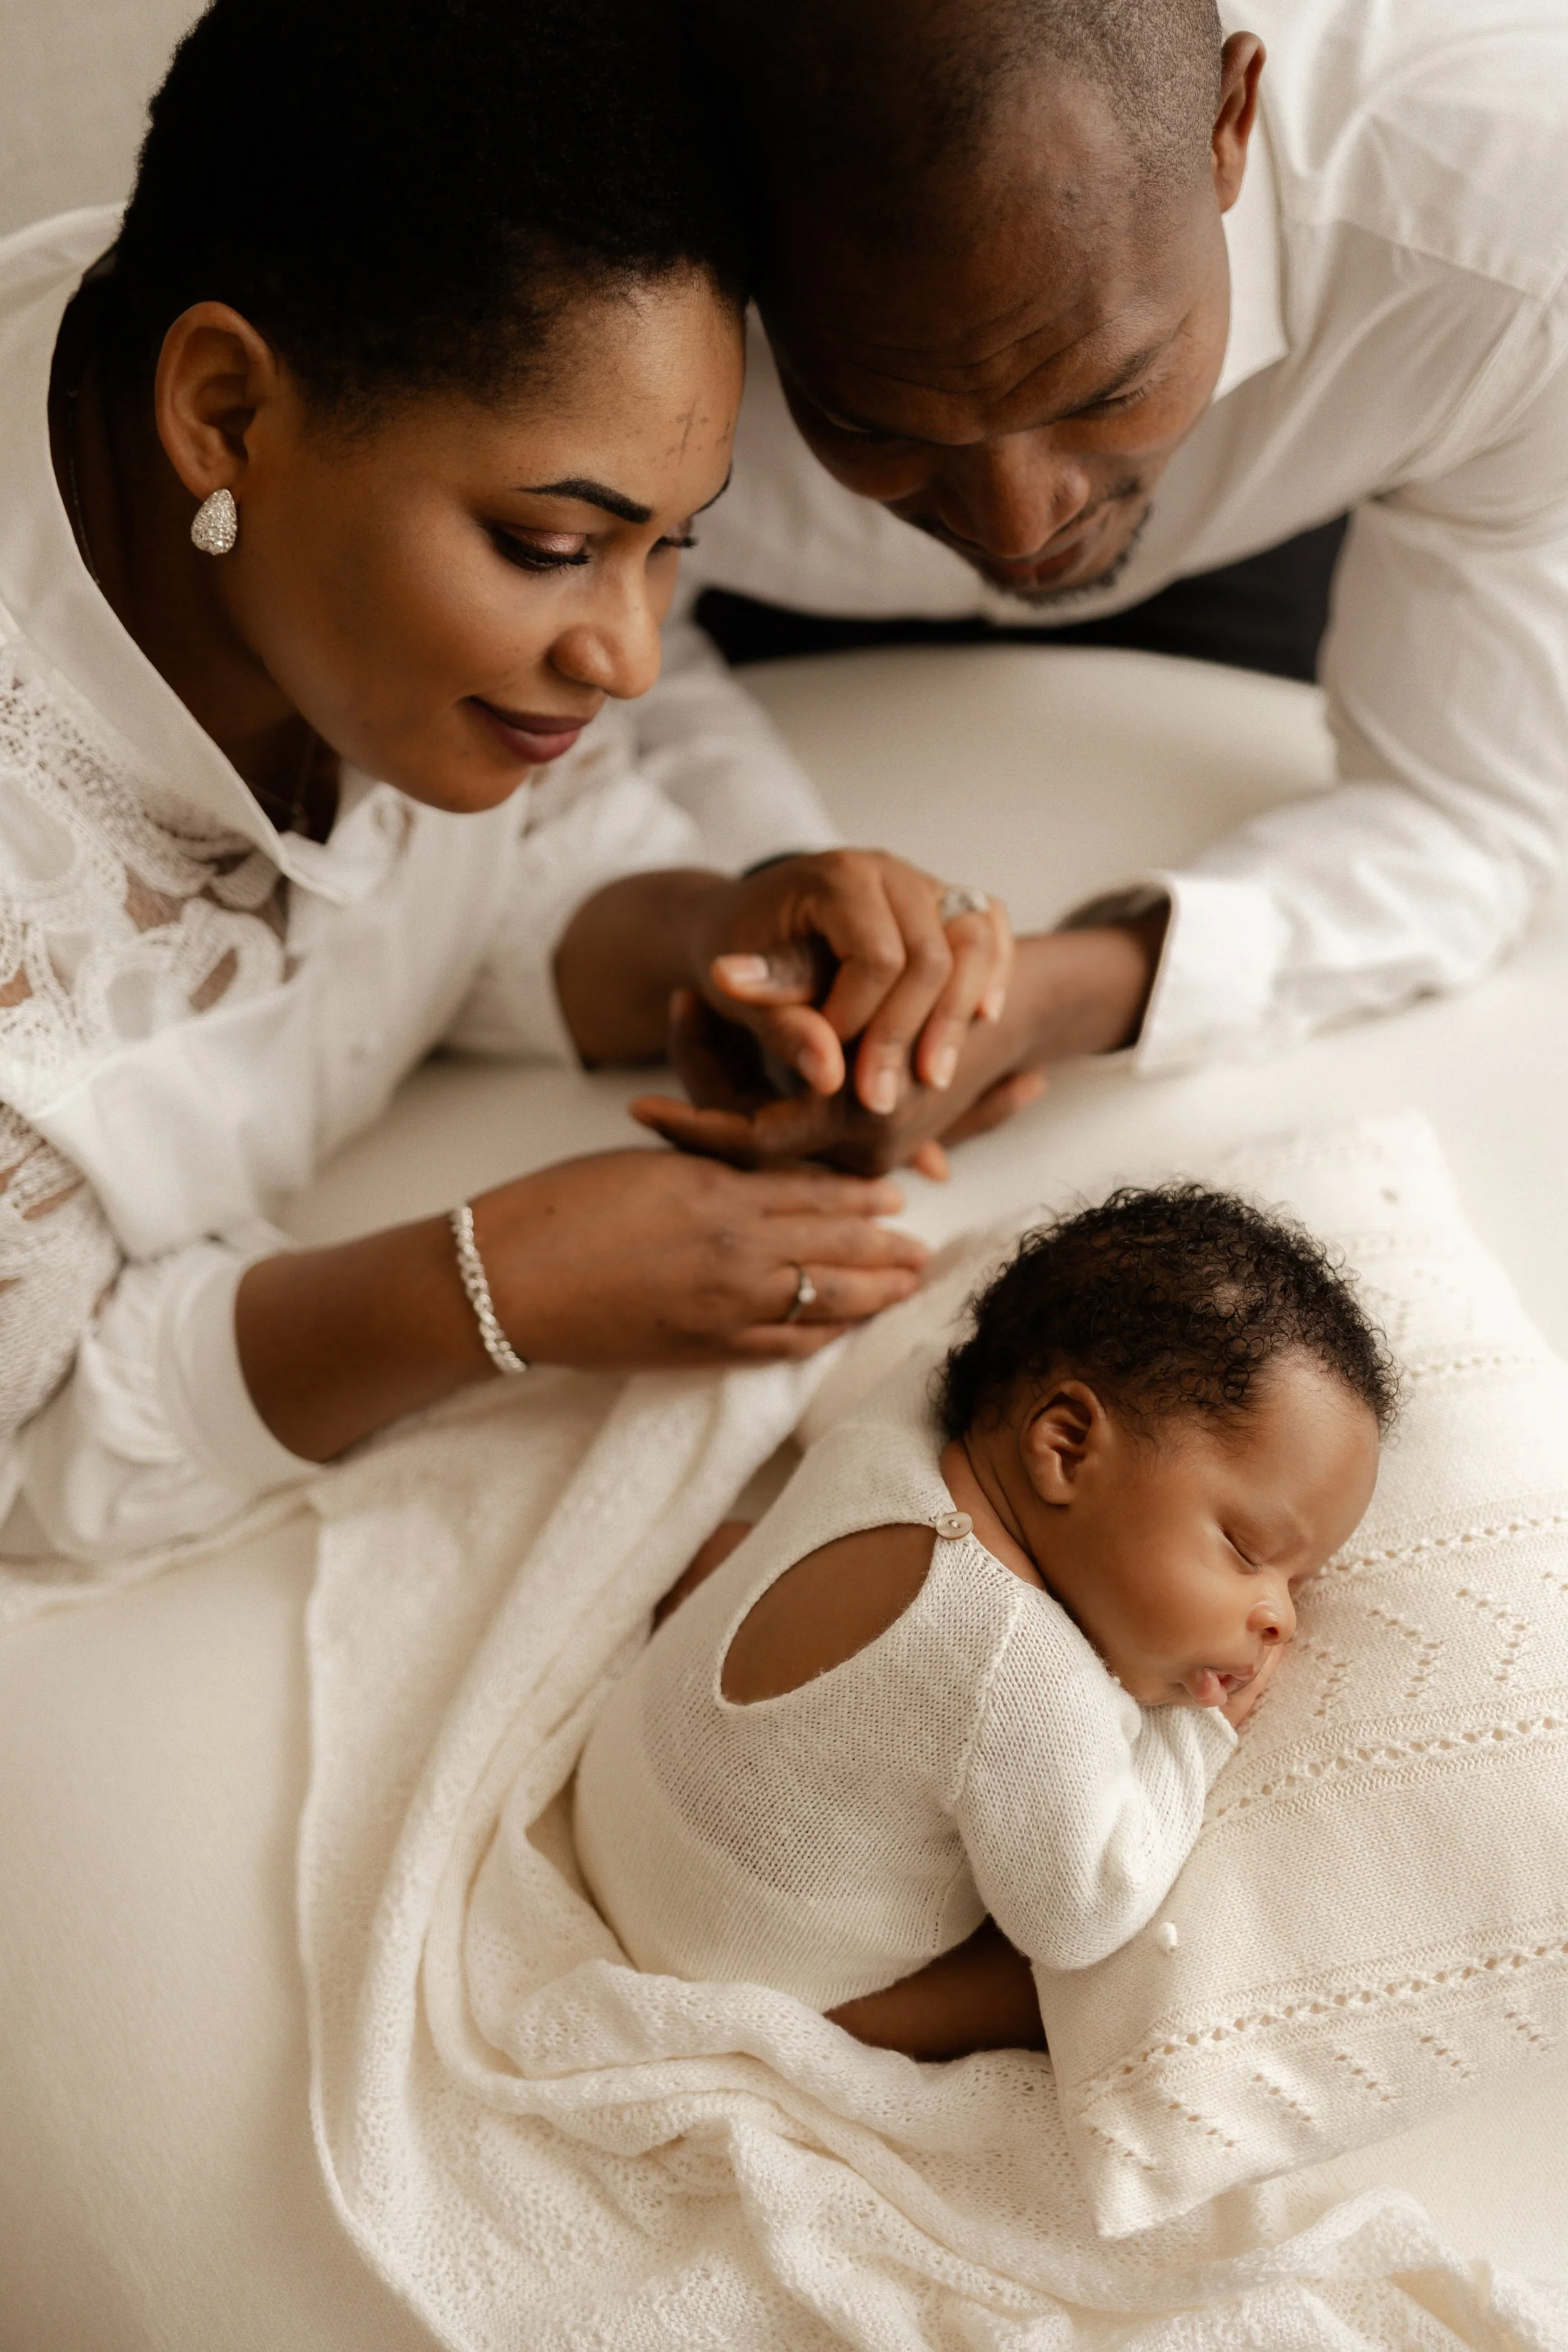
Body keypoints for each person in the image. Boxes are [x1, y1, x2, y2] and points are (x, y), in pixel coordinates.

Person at [0, 0, 1020, 1564]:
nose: (626, 655)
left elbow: (473, 887)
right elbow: (34, 1447)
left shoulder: (344, 540)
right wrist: (492, 1286)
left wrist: (722, 931)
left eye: (670, 545)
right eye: (551, 549)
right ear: (222, 415)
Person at [630, 0, 1568, 1176]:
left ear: (1230, 125)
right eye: (872, 417)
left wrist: (1044, 997)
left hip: (1283, 550)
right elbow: (558, 653)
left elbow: (1471, 817)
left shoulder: (1514, 248)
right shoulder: (585, 252)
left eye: (1105, 387)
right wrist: (762, 881)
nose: (1020, 529)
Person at [574, 1186, 1394, 2060]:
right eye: (1247, 1548)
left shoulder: (898, 1414)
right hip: (726, 1961)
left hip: (619, 1789)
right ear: (1066, 1446)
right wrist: (1191, 1734)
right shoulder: (1022, 1672)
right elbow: (1089, 1911)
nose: (1280, 1616)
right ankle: (811, 2026)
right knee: (1054, 1988)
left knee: (746, 1546)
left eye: (1300, 1580)